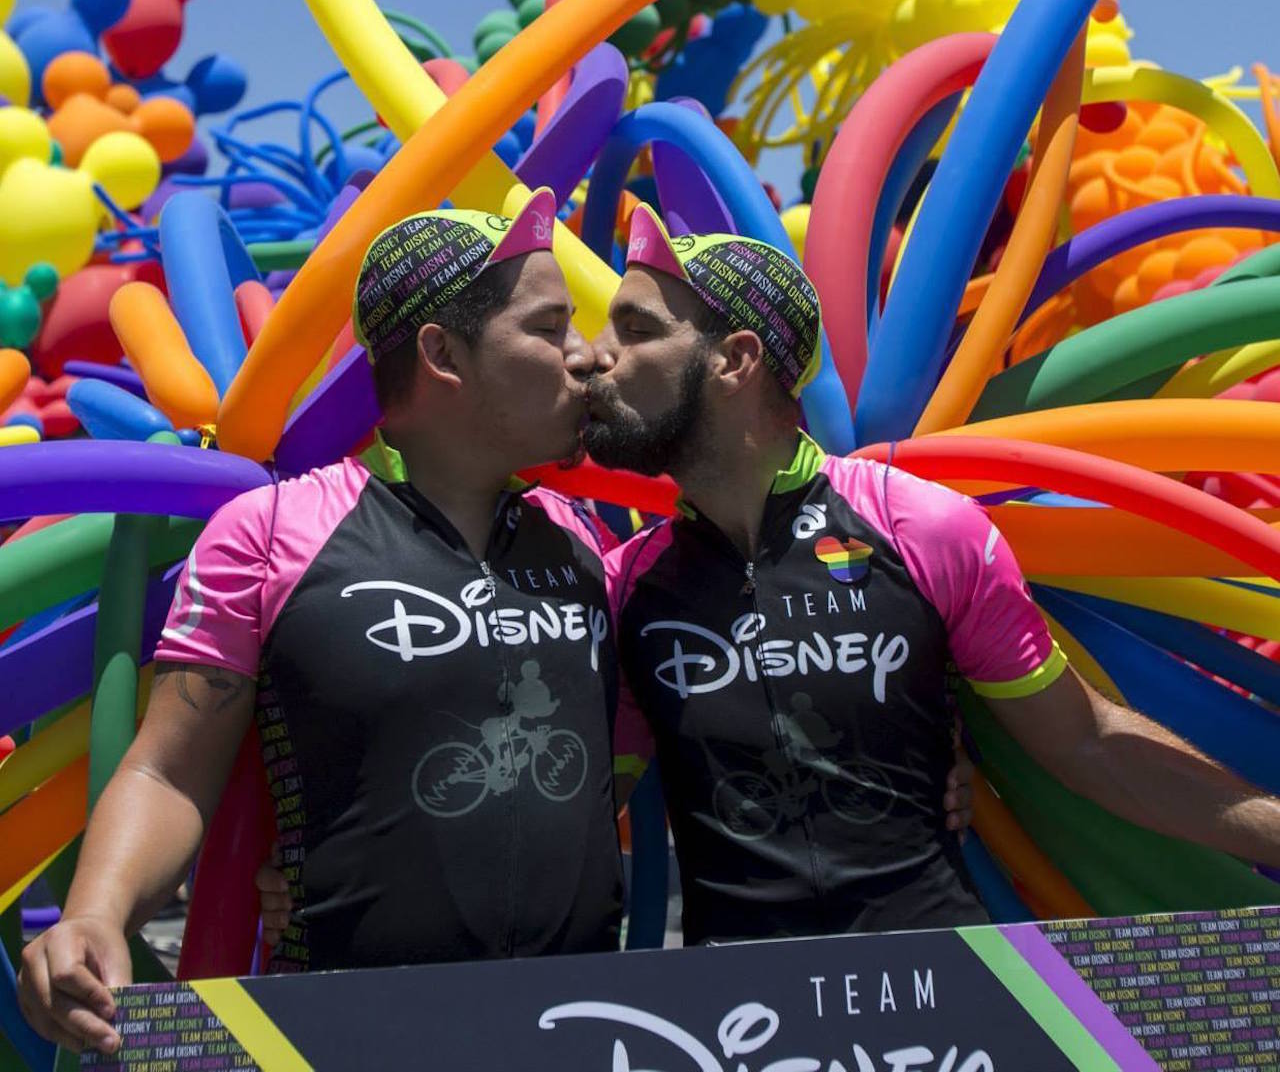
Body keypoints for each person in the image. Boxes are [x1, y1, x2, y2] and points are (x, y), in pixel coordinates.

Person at [17, 195, 645, 1056]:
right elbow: (168, 771)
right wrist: (95, 910)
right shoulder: (270, 533)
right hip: (335, 1040)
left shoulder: (583, 544)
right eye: (548, 328)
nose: (585, 358)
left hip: (576, 1034)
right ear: (442, 353)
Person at [585, 207, 1280, 947]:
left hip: (943, 1003)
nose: (595, 354)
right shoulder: (626, 583)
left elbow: (1091, 742)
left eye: (634, 328)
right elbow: (569, 807)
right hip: (739, 1029)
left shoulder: (922, 528)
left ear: (734, 360)